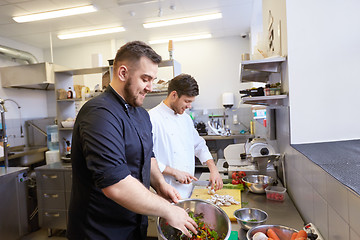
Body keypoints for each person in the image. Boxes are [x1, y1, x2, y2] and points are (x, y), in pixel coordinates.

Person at [67, 41, 197, 240]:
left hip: (133, 226)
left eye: (153, 80)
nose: (150, 88)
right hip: (100, 231)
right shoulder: (99, 114)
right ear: (122, 73)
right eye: (145, 79)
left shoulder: (141, 114)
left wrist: (160, 184)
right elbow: (116, 184)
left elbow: (148, 156)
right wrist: (168, 210)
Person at [149, 74, 223, 199]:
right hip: (164, 191)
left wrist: (213, 168)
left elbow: (199, 145)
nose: (189, 106)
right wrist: (174, 172)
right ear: (174, 95)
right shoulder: (152, 118)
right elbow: (146, 158)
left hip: (188, 190)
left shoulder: (186, 119)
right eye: (187, 101)